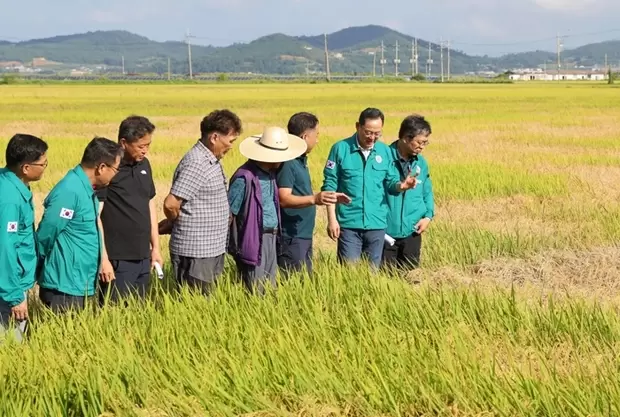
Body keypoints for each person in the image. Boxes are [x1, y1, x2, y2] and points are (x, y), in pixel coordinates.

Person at [321, 107, 418, 268]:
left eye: (377, 133)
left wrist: (402, 185)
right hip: (349, 224)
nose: (372, 138)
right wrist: (332, 219)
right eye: (368, 132)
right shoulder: (340, 149)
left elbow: (391, 183)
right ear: (357, 126)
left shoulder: (385, 151)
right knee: (349, 274)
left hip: (377, 225)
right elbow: (330, 185)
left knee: (372, 275)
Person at [36, 137, 122, 313]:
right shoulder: (69, 191)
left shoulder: (86, 189)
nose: (116, 175)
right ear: (102, 167)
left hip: (79, 282)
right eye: (116, 169)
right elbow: (46, 234)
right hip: (63, 286)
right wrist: (36, 268)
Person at [161, 109, 242, 295]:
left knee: (205, 299)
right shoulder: (197, 163)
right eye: (230, 140)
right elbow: (171, 204)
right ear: (214, 137)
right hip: (196, 249)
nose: (231, 146)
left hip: (210, 246)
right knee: (196, 300)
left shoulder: (210, 159)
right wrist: (177, 222)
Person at [228, 126, 307, 294]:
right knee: (256, 288)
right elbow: (229, 214)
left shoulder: (271, 174)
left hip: (272, 236)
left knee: (270, 287)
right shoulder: (244, 177)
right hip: (254, 238)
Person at [96, 115, 162, 304]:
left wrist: (156, 248)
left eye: (148, 145)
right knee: (115, 313)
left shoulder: (144, 165)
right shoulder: (109, 169)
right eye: (141, 146)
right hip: (118, 258)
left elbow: (149, 203)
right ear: (123, 143)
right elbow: (95, 215)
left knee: (138, 310)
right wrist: (104, 259)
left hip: (143, 255)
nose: (145, 151)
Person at [276, 112, 349, 277]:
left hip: (302, 233)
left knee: (304, 281)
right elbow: (283, 198)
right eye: (316, 135)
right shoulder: (289, 163)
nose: (317, 140)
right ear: (304, 137)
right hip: (292, 236)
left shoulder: (300, 160)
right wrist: (315, 199)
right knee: (294, 283)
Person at [0, 134, 48, 341]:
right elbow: (5, 248)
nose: (45, 166)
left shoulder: (11, 182)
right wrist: (14, 297)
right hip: (6, 289)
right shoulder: (9, 199)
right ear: (26, 168)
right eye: (43, 163)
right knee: (12, 342)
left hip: (11, 282)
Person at [382, 114, 435, 270]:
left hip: (412, 230)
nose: (422, 147)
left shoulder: (421, 163)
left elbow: (427, 192)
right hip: (385, 231)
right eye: (419, 142)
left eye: (426, 143)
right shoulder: (382, 158)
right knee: (385, 280)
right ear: (405, 138)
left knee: (411, 276)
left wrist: (428, 216)